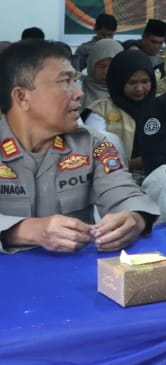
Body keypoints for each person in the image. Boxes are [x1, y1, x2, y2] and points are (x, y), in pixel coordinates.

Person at [0, 40, 156, 253]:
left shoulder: (92, 144)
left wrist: (134, 218)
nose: (78, 93)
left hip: (72, 267)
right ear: (22, 96)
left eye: (75, 80)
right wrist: (23, 231)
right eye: (65, 81)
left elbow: (122, 191)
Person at [87, 48, 166, 179]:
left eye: (145, 81)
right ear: (118, 82)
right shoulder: (100, 111)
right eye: (132, 82)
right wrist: (133, 163)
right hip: (114, 180)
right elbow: (92, 157)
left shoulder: (162, 105)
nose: (139, 88)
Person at [79, 38, 123, 107]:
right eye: (102, 66)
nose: (106, 72)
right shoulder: (78, 87)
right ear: (91, 65)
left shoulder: (128, 90)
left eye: (112, 66)